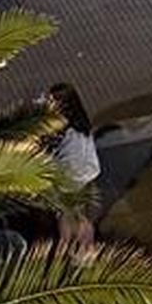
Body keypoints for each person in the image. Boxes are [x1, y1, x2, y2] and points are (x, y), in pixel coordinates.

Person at [45, 82, 102, 232]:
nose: (49, 103)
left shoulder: (62, 125)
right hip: (85, 171)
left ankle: (66, 243)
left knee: (65, 211)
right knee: (78, 210)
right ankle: (84, 244)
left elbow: (50, 148)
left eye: (52, 100)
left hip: (69, 174)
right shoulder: (80, 119)